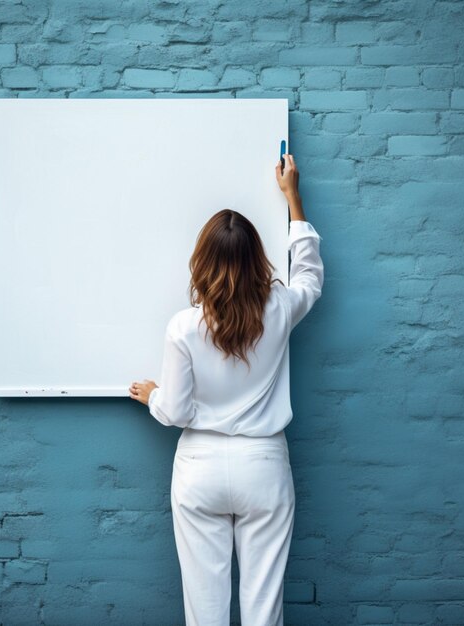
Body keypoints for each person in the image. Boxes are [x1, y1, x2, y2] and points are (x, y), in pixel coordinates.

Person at [129, 153, 324, 626]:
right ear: (257, 257)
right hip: (264, 466)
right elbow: (310, 277)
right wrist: (293, 197)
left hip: (200, 469)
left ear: (201, 260)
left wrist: (153, 394)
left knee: (205, 613)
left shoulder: (184, 326)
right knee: (264, 609)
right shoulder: (278, 308)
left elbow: (174, 411)